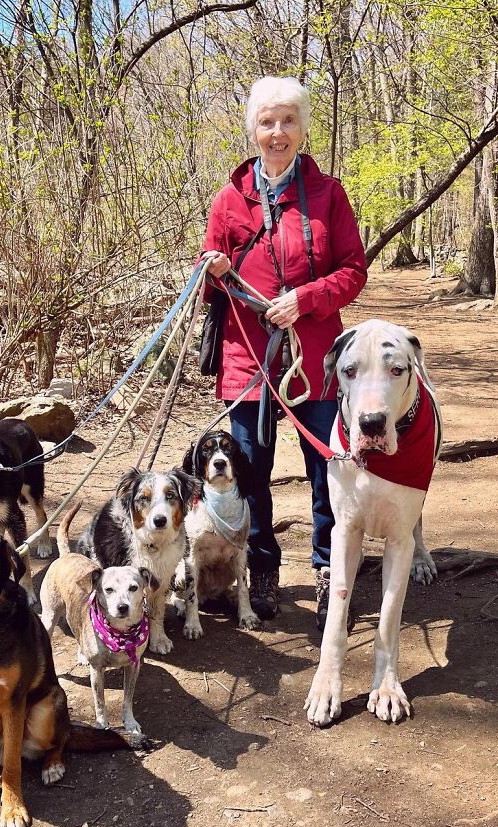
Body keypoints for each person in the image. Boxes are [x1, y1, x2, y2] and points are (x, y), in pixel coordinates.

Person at [200, 75, 367, 626]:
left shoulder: (328, 194)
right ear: (253, 128)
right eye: (267, 122)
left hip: (313, 357)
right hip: (247, 356)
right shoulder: (229, 200)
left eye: (288, 121)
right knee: (251, 472)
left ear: (302, 128)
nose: (278, 132)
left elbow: (354, 270)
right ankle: (262, 570)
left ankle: (328, 570)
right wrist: (213, 269)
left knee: (327, 468)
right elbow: (210, 278)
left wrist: (305, 299)